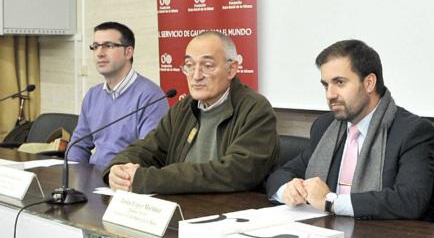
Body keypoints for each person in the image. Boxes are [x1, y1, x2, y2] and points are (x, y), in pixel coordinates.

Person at [266, 39, 434, 219]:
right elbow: (280, 175)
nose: (330, 94)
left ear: (369, 83)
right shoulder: (325, 126)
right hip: (325, 231)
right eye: (326, 85)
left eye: (339, 82)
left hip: (381, 233)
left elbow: (410, 199)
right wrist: (289, 190)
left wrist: (331, 202)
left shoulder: (411, 131)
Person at [104, 31, 279, 194]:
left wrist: (150, 179)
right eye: (189, 65)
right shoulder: (185, 107)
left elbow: (237, 172)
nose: (196, 76)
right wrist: (119, 169)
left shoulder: (255, 109)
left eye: (207, 66)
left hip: (233, 210)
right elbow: (148, 148)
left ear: (231, 69)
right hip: (183, 205)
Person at [67, 22, 168, 170]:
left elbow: (147, 153)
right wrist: (73, 174)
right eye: (95, 46)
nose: (100, 53)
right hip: (93, 175)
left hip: (125, 178)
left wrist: (116, 175)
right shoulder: (93, 95)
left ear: (128, 52)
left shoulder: (151, 97)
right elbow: (78, 145)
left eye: (108, 46)